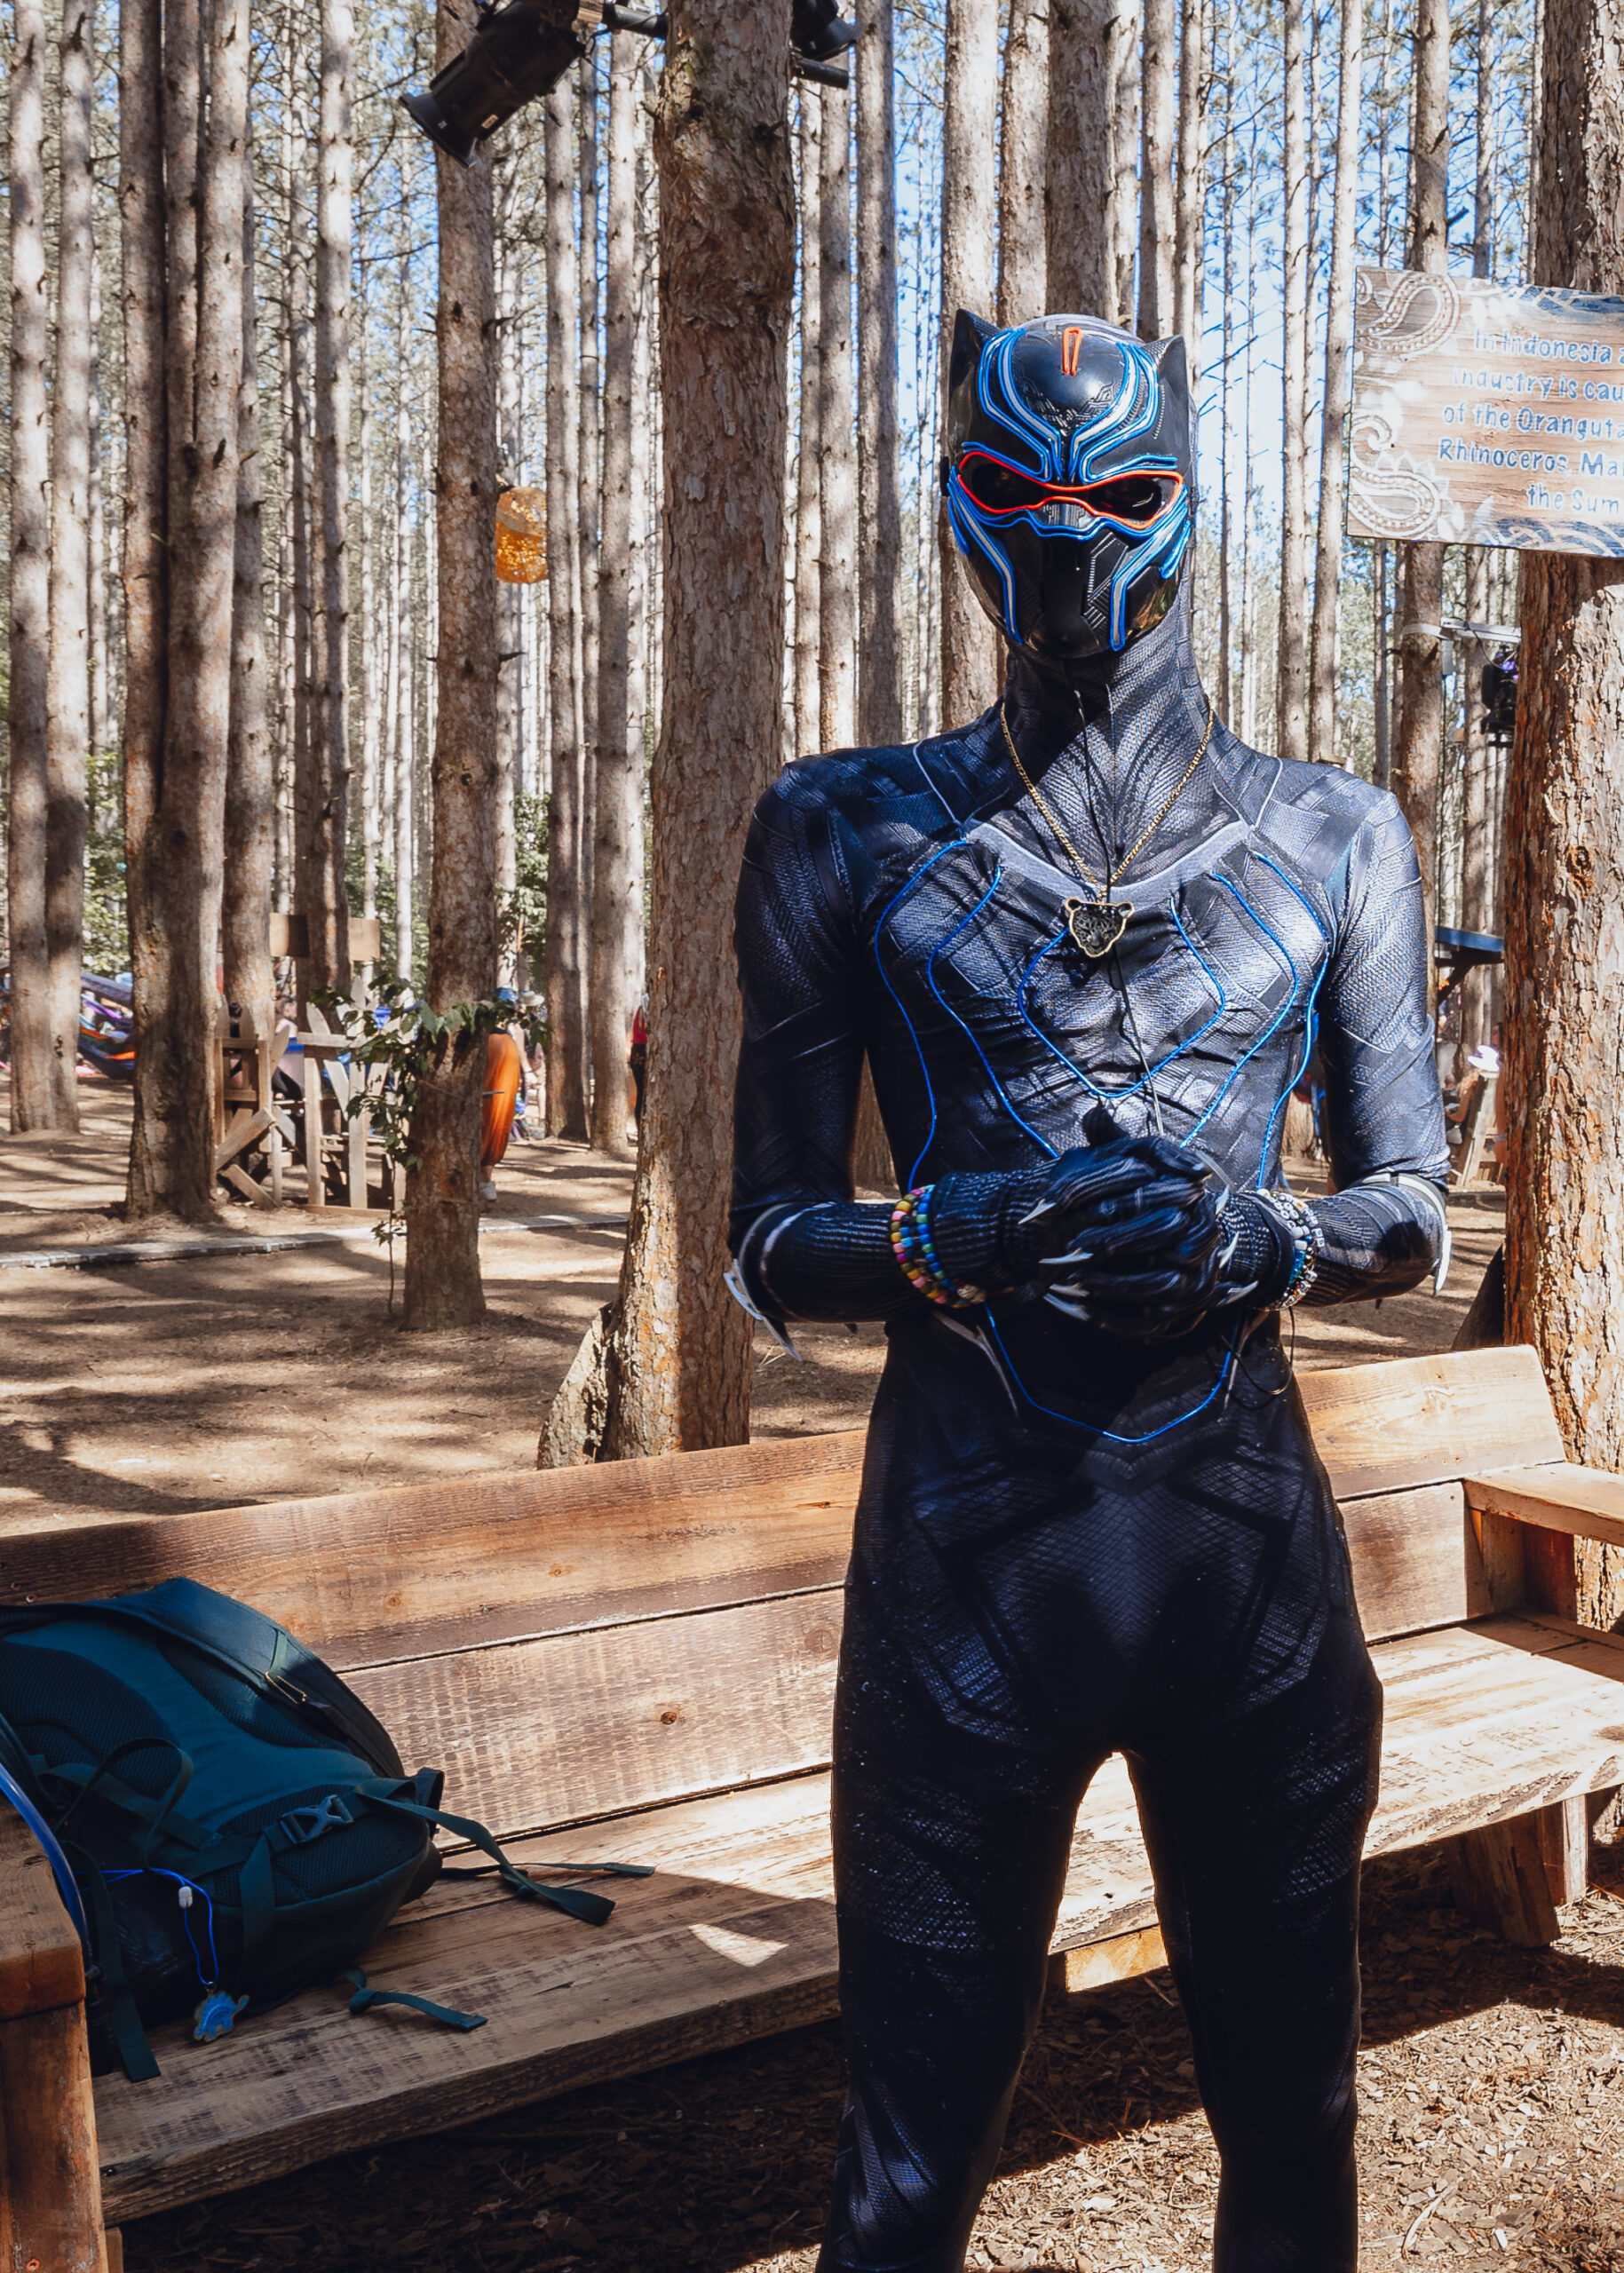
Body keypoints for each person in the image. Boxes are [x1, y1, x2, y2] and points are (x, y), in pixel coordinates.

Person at [727, 311, 1448, 2273]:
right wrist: (950, 1233)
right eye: (1018, 503)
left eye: (1119, 499)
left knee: (1296, 2125)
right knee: (905, 2164)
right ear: (955, 512)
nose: (1070, 554)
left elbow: (1410, 1207)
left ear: (1191, 503)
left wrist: (1274, 1238)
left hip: (1247, 1578)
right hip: (970, 1570)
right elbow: (767, 1233)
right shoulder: (834, 825)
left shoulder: (1334, 834)